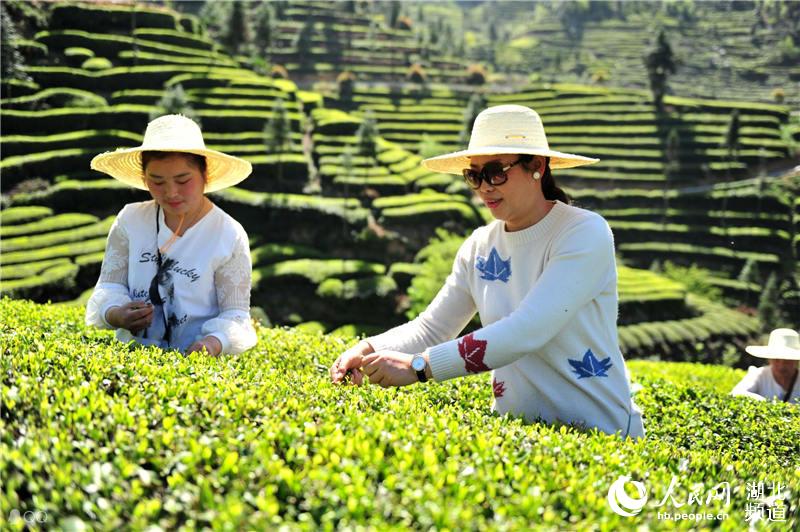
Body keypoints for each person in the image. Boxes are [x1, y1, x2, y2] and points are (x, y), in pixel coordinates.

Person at [330, 104, 645, 439]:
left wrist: (419, 367)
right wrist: (367, 349)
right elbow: (432, 328)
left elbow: (528, 329)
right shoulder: (480, 246)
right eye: (474, 175)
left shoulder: (583, 233)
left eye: (496, 172)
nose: (484, 188)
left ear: (537, 167)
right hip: (521, 436)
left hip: (604, 435)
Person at [85, 114, 257, 356]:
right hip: (130, 358)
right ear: (144, 178)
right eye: (157, 181)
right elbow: (110, 285)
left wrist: (213, 343)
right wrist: (116, 314)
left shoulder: (228, 234)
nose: (171, 192)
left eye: (183, 180)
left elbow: (236, 315)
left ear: (204, 175)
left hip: (194, 370)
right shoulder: (130, 220)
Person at [731, 328, 799, 404]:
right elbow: (736, 393)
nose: (781, 365)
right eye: (776, 360)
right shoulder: (759, 374)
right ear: (769, 359)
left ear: (796, 361)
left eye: (787, 361)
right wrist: (766, 403)